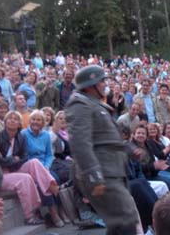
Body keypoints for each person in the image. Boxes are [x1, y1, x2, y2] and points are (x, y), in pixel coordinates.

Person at [65, 65, 139, 234]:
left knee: (120, 221)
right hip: (102, 173)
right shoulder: (79, 104)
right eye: (102, 81)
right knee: (125, 219)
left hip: (112, 170)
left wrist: (129, 150)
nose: (105, 84)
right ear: (91, 85)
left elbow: (108, 139)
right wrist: (93, 175)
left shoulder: (95, 104)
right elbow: (80, 143)